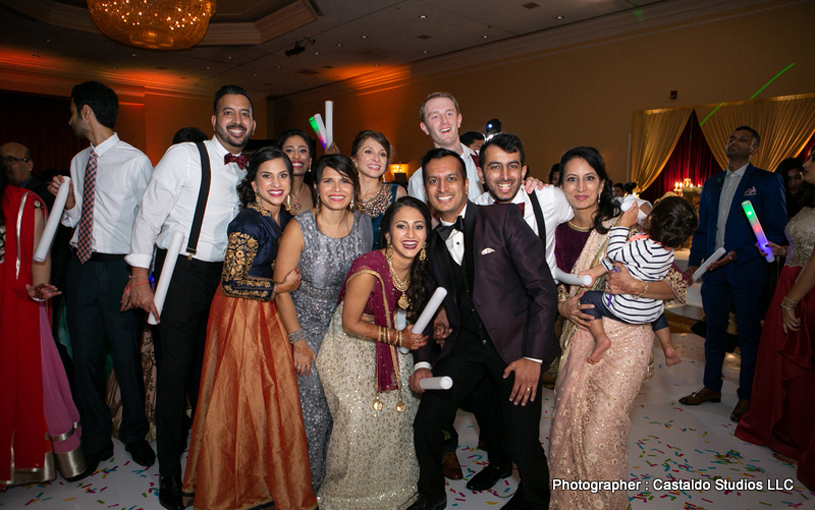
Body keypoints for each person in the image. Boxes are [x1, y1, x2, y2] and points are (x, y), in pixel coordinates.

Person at [126, 84, 256, 510]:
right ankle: (169, 472)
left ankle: (205, 464)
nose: (237, 121)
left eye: (245, 114)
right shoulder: (184, 155)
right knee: (176, 376)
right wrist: (140, 276)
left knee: (211, 376)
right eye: (228, 113)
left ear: (252, 123)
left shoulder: (248, 168)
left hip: (224, 279)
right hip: (179, 271)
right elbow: (147, 216)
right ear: (215, 119)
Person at [407, 148, 558, 510]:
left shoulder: (502, 217)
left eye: (451, 178)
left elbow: (543, 289)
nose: (442, 187)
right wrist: (422, 363)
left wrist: (532, 358)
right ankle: (431, 498)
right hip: (466, 345)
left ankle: (537, 501)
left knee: (522, 441)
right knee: (426, 423)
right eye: (433, 180)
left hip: (516, 347)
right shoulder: (426, 239)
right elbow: (424, 309)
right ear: (426, 189)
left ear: (468, 182)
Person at [548, 146, 689, 509]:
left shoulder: (628, 224)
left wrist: (635, 287)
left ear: (602, 184)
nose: (580, 187)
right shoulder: (551, 230)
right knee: (566, 421)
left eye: (589, 178)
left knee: (601, 432)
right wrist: (561, 306)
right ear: (559, 184)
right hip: (581, 335)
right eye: (571, 179)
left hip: (627, 341)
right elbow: (539, 287)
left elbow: (677, 286)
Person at [182, 147, 316, 510]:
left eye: (283, 175)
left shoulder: (285, 215)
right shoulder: (248, 222)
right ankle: (235, 484)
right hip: (241, 314)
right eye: (267, 176)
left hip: (268, 313)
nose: (276, 183)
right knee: (241, 400)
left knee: (270, 399)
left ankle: (263, 477)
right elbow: (231, 281)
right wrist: (280, 288)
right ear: (253, 183)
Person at [49, 81, 154, 480]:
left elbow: (149, 223)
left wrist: (138, 276)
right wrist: (70, 206)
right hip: (80, 267)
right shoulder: (78, 162)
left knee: (125, 356)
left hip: (118, 270)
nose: (70, 118)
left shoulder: (136, 161)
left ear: (87, 111)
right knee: (85, 357)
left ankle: (134, 432)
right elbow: (74, 223)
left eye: (73, 110)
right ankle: (95, 438)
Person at [317, 197, 430, 510]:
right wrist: (398, 337)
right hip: (349, 342)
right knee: (360, 413)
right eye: (401, 226)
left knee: (403, 407)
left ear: (426, 235)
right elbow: (350, 322)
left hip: (392, 337)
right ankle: (347, 495)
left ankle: (395, 488)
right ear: (388, 234)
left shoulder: (421, 266)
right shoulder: (369, 267)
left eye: (418, 226)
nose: (410, 233)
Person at [274, 154, 373, 492]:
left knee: (353, 411)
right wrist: (299, 342)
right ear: (315, 186)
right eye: (328, 180)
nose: (336, 188)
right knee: (314, 411)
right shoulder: (299, 227)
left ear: (354, 188)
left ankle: (341, 485)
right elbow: (281, 291)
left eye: (344, 181)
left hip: (349, 327)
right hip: (306, 329)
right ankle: (309, 489)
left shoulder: (363, 224)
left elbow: (367, 280)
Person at [680, 126, 787, 422]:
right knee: (714, 333)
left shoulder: (766, 181)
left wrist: (742, 253)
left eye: (742, 140)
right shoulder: (713, 182)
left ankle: (746, 395)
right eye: (731, 138)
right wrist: (694, 262)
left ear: (754, 148)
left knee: (749, 336)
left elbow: (775, 232)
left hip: (747, 269)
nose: (734, 142)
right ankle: (711, 386)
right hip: (714, 272)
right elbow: (703, 230)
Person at [0, 159, 85, 486]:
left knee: (31, 373)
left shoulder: (25, 202)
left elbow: (40, 254)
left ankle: (34, 455)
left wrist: (37, 290)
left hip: (18, 299)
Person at [736, 146, 815, 490]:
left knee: (800, 361)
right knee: (779, 357)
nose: (806, 165)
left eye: (812, 161)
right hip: (790, 280)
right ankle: (782, 428)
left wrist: (790, 301)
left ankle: (799, 434)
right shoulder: (809, 203)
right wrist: (780, 249)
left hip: (804, 290)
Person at [578, 197, 698, 365]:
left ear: (653, 218)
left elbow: (614, 254)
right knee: (659, 314)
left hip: (624, 309)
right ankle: (668, 347)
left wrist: (623, 226)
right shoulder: (667, 252)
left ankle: (601, 339)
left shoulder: (642, 247)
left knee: (588, 299)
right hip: (649, 311)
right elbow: (623, 260)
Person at [406, 92, 484, 202]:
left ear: (459, 120)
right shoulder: (418, 179)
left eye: (449, 114)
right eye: (435, 116)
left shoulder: (484, 163)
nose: (444, 121)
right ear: (425, 128)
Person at [351, 130, 407, 248]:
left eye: (382, 154)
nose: (376, 159)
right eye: (368, 152)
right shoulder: (344, 194)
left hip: (384, 264)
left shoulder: (396, 193)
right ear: (354, 160)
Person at [1, 142, 53, 211]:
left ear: (29, 165)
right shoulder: (2, 192)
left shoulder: (46, 194)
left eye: (11, 160)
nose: (4, 165)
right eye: (1, 161)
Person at [278, 129, 316, 215]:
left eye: (302, 150)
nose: (296, 156)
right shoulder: (271, 191)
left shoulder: (317, 193)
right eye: (289, 150)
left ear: (310, 160)